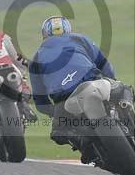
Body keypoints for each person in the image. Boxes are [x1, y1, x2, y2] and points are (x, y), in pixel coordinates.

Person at [28, 16, 115, 147]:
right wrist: (112, 81)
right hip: (92, 80)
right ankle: (132, 119)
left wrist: (54, 112)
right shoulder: (80, 39)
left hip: (64, 99)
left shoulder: (36, 58)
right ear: (68, 30)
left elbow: (40, 101)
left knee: (58, 133)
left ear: (44, 35)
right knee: (122, 91)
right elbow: (104, 64)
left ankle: (86, 147)